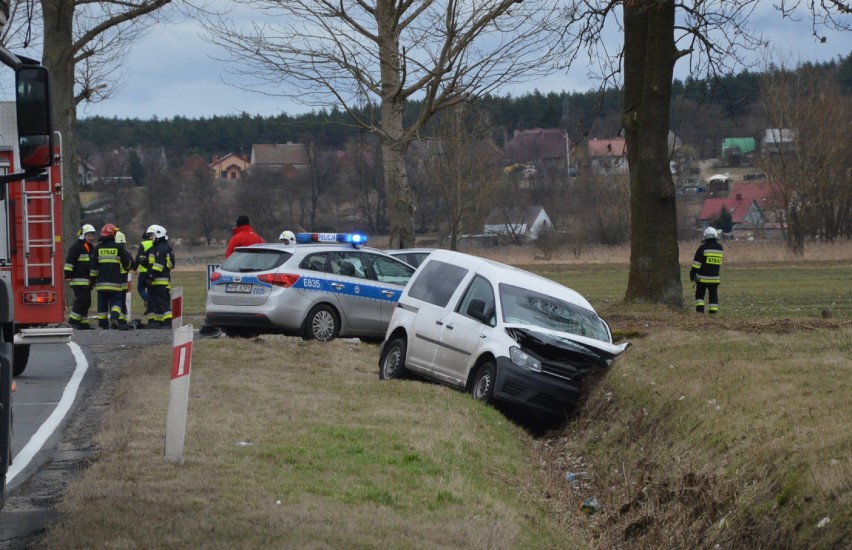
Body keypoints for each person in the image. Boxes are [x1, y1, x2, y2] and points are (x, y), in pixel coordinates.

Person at [90, 223, 133, 330]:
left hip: (101, 283)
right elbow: (127, 263)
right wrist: (127, 268)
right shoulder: (118, 247)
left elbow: (93, 267)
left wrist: (92, 280)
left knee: (102, 303)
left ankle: (103, 324)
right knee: (117, 301)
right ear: (113, 234)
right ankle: (114, 317)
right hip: (115, 282)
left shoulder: (97, 248)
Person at [64, 223, 96, 330]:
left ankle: (83, 323)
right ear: (83, 235)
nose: (91, 238)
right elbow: (69, 263)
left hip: (87, 281)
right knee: (82, 299)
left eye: (92, 235)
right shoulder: (76, 247)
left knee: (87, 301)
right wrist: (68, 275)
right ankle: (73, 321)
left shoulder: (91, 248)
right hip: (77, 280)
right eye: (89, 235)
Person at [690, 226, 724, 316]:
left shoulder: (702, 248)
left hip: (702, 278)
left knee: (700, 295)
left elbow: (696, 263)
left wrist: (693, 273)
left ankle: (700, 314)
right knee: (713, 296)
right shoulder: (720, 248)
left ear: (705, 237)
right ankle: (713, 314)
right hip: (715, 278)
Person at [146, 224, 176, 329]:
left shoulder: (160, 248)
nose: (150, 238)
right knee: (158, 302)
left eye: (151, 235)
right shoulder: (165, 247)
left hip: (159, 280)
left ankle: (168, 321)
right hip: (162, 280)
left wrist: (150, 276)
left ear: (158, 235)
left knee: (162, 301)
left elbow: (158, 265)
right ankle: (159, 322)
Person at [133, 228, 155, 327]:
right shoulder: (156, 243)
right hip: (154, 271)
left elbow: (138, 258)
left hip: (144, 271)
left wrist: (134, 268)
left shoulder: (144, 244)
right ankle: (151, 307)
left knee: (140, 288)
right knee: (151, 290)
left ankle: (147, 301)